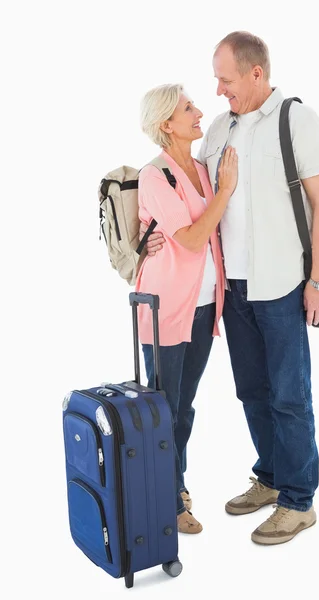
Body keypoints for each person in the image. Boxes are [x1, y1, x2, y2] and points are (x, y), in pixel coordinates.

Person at [142, 32, 319, 545]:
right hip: (233, 291)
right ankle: (271, 478)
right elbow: (186, 192)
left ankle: (298, 501)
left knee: (291, 396)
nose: (218, 91)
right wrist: (147, 238)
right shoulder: (219, 131)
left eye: (225, 80)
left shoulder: (297, 121)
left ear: (255, 73)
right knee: (252, 390)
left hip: (283, 285)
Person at [136, 83, 238, 534]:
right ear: (166, 125)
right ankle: (170, 500)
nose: (199, 112)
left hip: (203, 308)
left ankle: (172, 486)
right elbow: (194, 239)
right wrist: (226, 192)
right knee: (164, 409)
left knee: (184, 406)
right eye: (188, 108)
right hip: (164, 310)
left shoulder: (200, 168)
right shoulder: (154, 176)